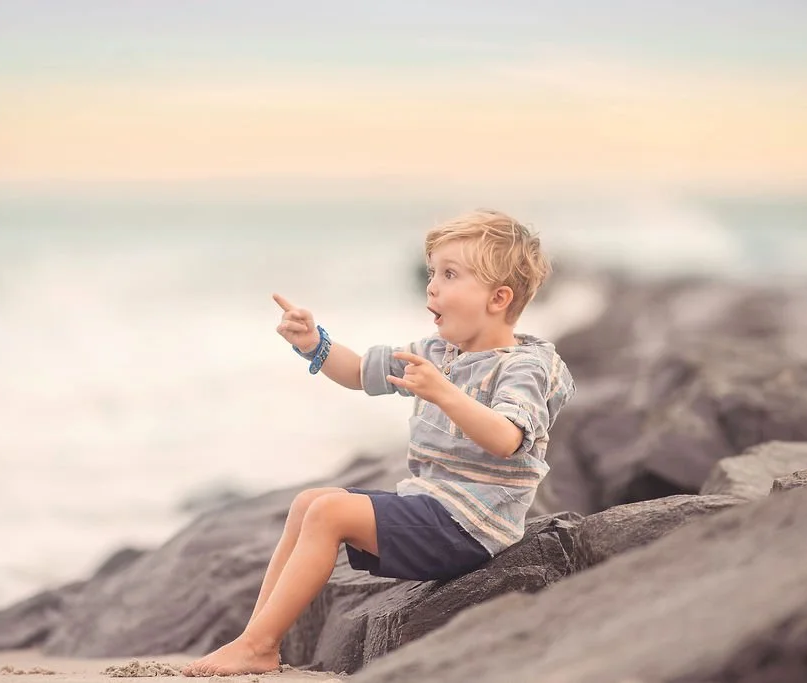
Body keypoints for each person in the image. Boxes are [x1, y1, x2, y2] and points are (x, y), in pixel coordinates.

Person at [182, 209, 575, 677]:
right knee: (310, 503)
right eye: (432, 273)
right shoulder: (435, 352)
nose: (431, 286)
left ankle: (257, 645)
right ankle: (256, 639)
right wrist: (313, 343)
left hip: (472, 527)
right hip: (431, 508)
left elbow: (508, 439)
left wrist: (443, 393)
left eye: (449, 274)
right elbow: (355, 372)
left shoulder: (526, 366)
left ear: (499, 298)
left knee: (331, 513)